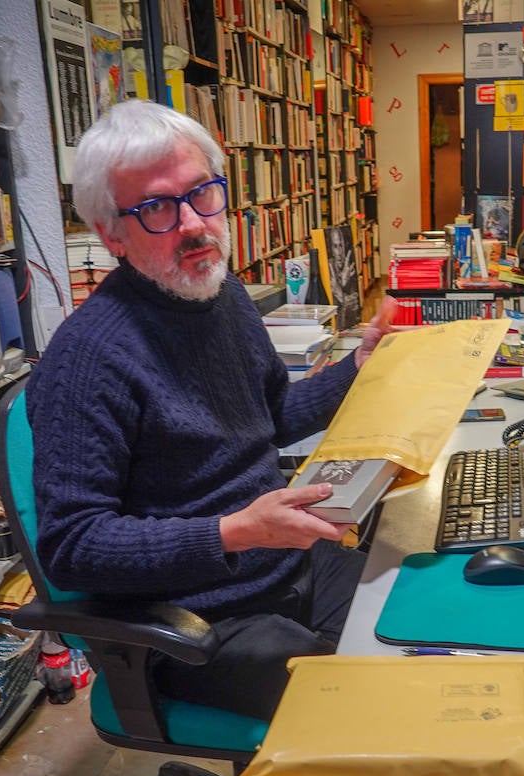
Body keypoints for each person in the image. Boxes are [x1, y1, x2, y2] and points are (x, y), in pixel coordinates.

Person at [25, 100, 398, 720]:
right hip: (195, 625)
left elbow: (270, 416)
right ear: (110, 234)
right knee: (379, 708)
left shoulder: (223, 298)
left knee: (430, 631)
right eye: (157, 209)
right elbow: (72, 546)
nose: (195, 224)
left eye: (204, 194)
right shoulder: (88, 360)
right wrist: (235, 531)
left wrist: (358, 368)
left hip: (284, 569)